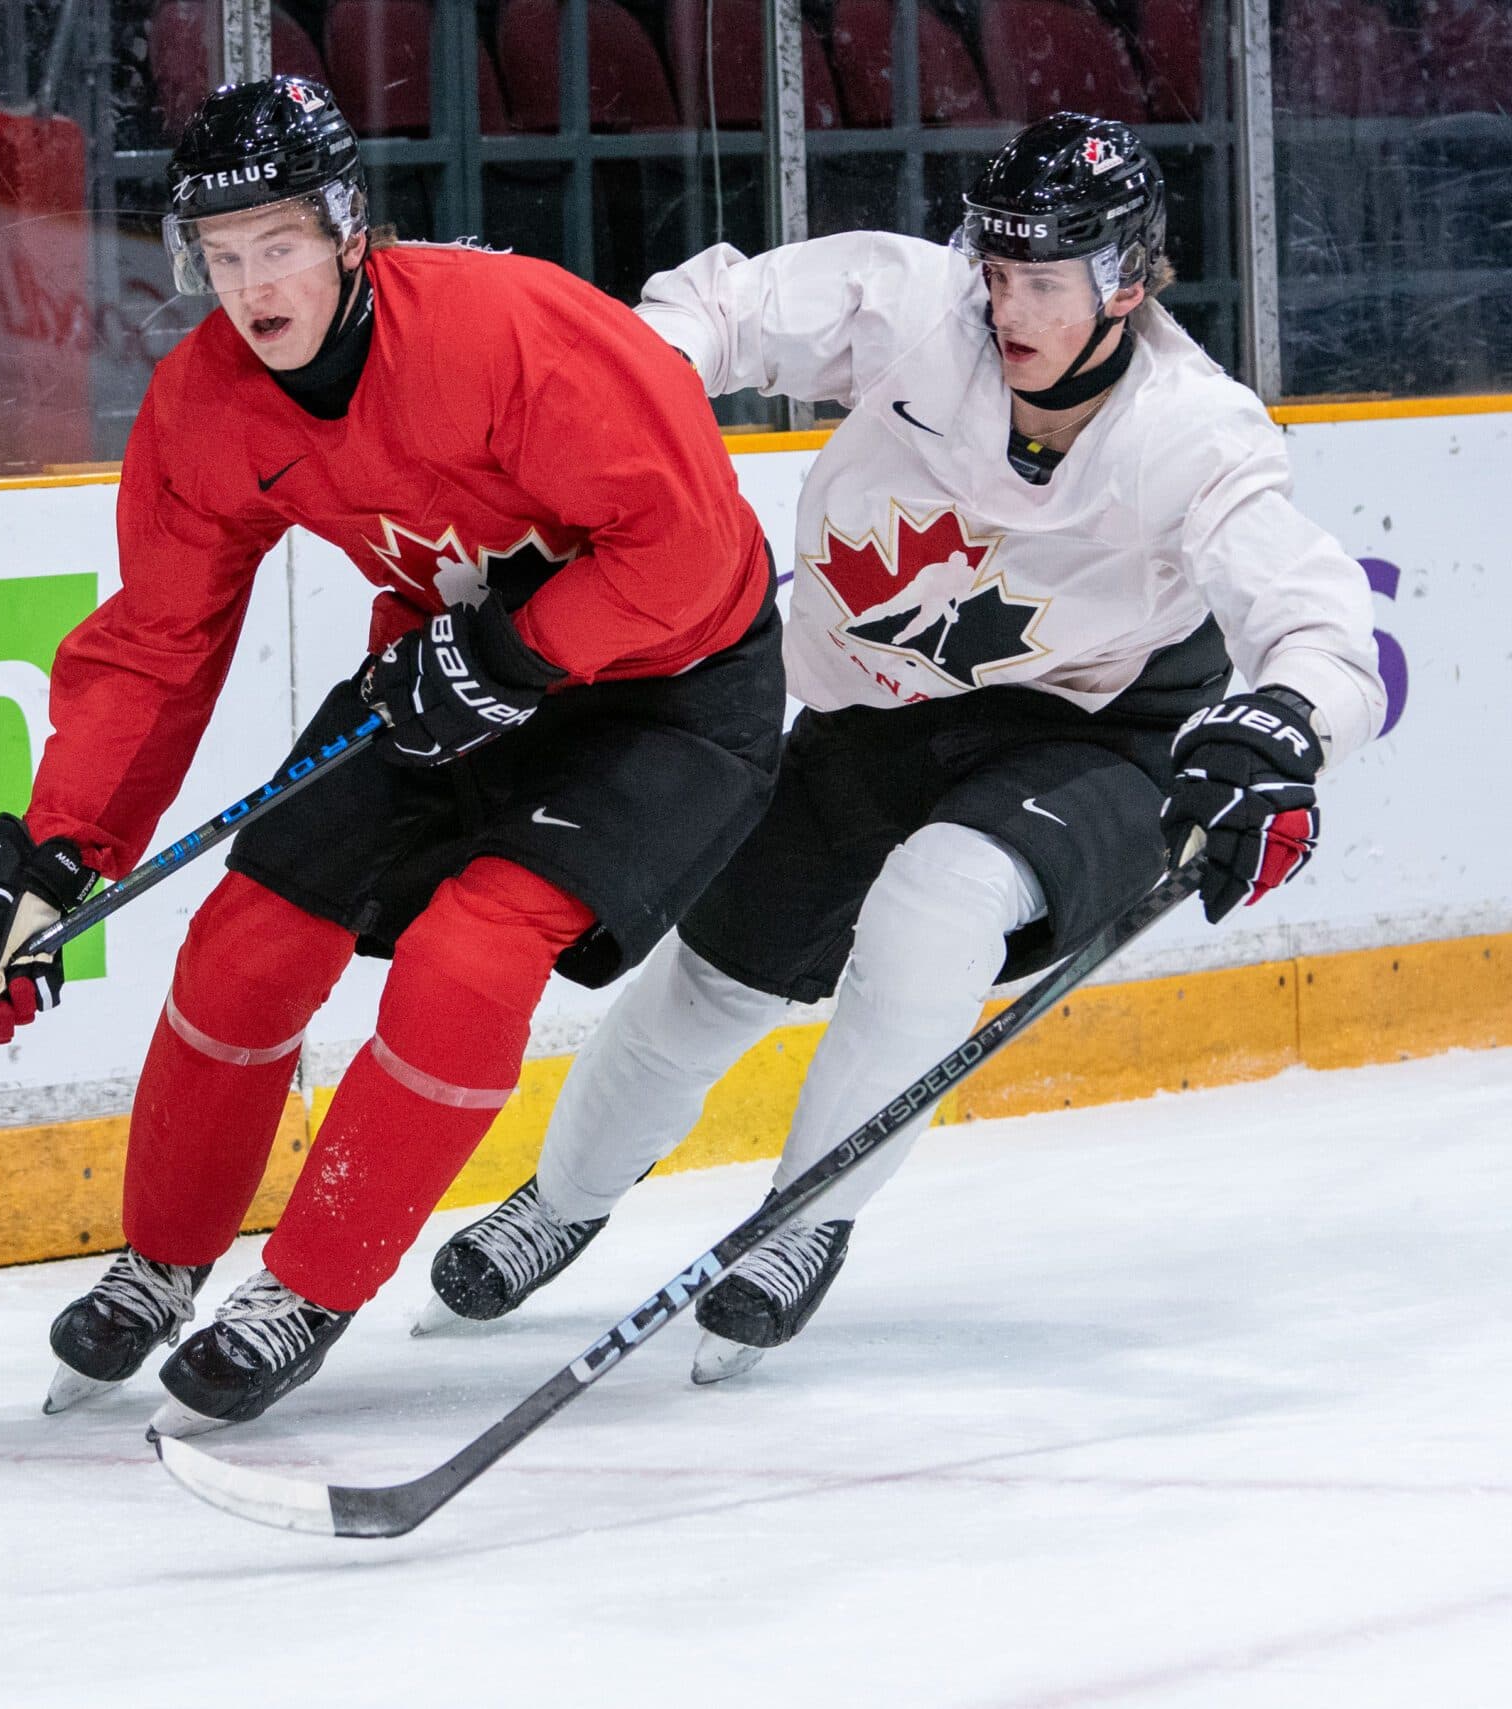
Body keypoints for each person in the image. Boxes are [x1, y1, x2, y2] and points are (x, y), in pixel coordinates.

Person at [425, 113, 1387, 1383]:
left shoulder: (1189, 430)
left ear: (1129, 281)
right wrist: (608, 412)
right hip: (872, 713)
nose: (1008, 307)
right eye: (997, 273)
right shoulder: (909, 305)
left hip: (1101, 728)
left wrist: (1285, 719)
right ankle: (562, 1198)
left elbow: (1317, 619)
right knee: (712, 981)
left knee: (939, 899)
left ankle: (804, 1214)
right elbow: (721, 312)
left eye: (1045, 282)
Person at [0, 76, 784, 1434]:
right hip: (448, 671)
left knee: (468, 957)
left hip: (668, 690)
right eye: (221, 257)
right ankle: (160, 1262)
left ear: (345, 233)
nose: (252, 287)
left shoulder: (513, 333)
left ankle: (307, 1286)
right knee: (246, 933)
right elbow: (156, 645)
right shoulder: (207, 404)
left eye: (277, 246)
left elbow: (688, 549)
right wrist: (56, 853)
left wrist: (518, 652)